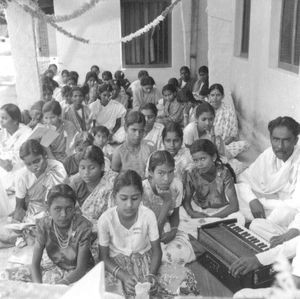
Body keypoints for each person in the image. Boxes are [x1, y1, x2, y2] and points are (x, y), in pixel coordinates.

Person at [99, 170, 199, 297]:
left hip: (146, 263)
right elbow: (104, 257)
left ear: (141, 196)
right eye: (123, 198)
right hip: (117, 268)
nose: (129, 204)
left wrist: (151, 275)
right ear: (114, 196)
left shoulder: (147, 215)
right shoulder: (106, 219)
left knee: (185, 280)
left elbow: (157, 251)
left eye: (135, 198)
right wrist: (123, 276)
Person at [2, 184, 94, 285]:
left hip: (77, 272)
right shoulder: (44, 224)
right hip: (54, 265)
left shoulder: (83, 227)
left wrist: (57, 286)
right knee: (6, 276)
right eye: (57, 209)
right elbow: (35, 264)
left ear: (74, 208)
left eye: (69, 208)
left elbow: (80, 269)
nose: (63, 214)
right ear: (48, 209)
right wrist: (39, 287)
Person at [236, 116, 300, 244]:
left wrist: (263, 202)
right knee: (236, 190)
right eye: (275, 139)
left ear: (295, 141)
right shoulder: (269, 154)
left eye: (286, 140)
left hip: (286, 209)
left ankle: (274, 233)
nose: (280, 146)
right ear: (270, 138)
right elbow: (244, 179)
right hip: (266, 203)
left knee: (283, 213)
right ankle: (264, 228)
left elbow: (296, 204)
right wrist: (252, 200)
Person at [180, 139, 245, 238]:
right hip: (199, 210)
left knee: (238, 218)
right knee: (180, 214)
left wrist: (211, 218)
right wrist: (192, 213)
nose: (199, 164)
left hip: (220, 212)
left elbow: (234, 205)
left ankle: (203, 229)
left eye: (203, 159)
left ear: (213, 157)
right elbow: (186, 201)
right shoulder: (191, 173)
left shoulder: (224, 173)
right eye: (196, 160)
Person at [143, 150, 196, 265]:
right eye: (161, 173)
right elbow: (151, 231)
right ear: (151, 172)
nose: (167, 178)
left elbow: (175, 214)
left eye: (170, 172)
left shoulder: (176, 186)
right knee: (149, 256)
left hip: (164, 228)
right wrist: (167, 202)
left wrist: (173, 230)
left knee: (184, 250)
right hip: (145, 232)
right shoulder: (142, 190)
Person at [0, 104, 32, 214]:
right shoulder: (2, 133)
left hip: (20, 173)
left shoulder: (26, 133)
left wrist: (10, 163)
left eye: (4, 118)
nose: (1, 120)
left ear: (15, 120)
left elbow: (26, 157)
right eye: (0, 117)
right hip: (3, 174)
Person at [70, 145, 116, 221]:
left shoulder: (112, 181)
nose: (86, 173)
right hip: (84, 225)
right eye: (82, 168)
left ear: (102, 167)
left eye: (92, 168)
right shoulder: (76, 183)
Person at [207, 83, 249, 157]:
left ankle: (218, 154)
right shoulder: (205, 109)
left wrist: (221, 145)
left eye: (218, 95)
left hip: (224, 144)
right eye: (212, 95)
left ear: (223, 96)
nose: (215, 98)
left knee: (245, 144)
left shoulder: (228, 110)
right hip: (207, 143)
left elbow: (233, 134)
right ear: (209, 96)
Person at [111, 110, 154, 179]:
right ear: (125, 128)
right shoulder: (119, 152)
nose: (137, 134)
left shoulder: (148, 149)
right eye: (134, 130)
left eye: (141, 131)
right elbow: (113, 178)